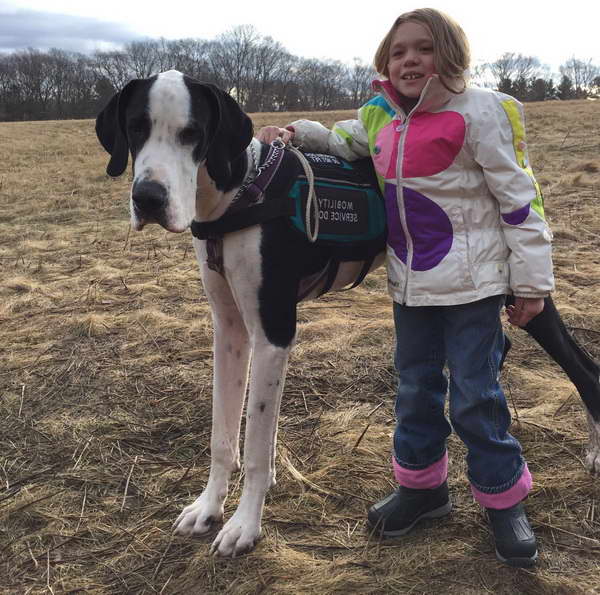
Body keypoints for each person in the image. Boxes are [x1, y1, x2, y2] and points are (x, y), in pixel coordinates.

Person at [256, 8, 553, 567]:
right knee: (414, 389)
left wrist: (531, 282)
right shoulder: (379, 116)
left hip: (476, 285)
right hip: (412, 288)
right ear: (384, 63)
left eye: (423, 48)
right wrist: (296, 133)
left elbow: (520, 200)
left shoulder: (482, 111)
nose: (410, 60)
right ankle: (422, 488)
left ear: (451, 55)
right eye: (398, 52)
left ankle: (502, 499)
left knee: (476, 397)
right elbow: (343, 141)